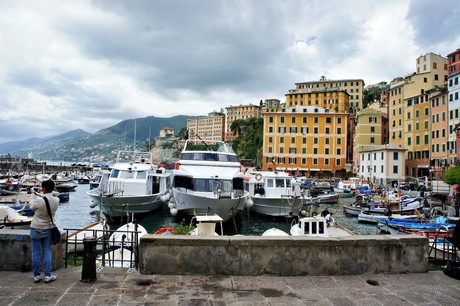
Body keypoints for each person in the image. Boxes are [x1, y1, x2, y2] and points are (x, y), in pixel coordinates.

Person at [29, 179, 60, 283]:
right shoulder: (57, 200)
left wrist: (33, 194)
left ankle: (36, 275)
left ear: (44, 188)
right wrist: (43, 192)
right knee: (47, 252)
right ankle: (48, 275)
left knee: (36, 253)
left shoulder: (39, 200)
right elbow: (53, 194)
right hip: (48, 228)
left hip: (36, 227)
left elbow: (32, 206)